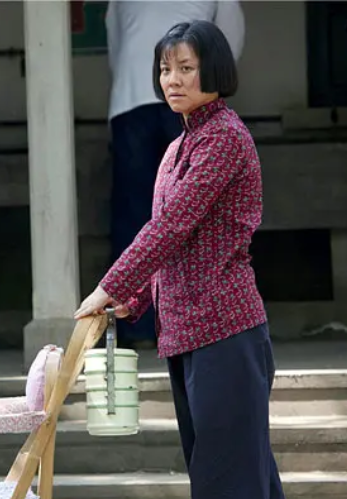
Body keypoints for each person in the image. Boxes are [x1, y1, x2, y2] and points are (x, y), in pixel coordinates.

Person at [76, 21, 284, 499]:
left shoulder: (225, 139)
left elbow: (169, 228)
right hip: (183, 331)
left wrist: (107, 287)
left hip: (227, 330)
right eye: (166, 68)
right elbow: (176, 245)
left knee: (227, 479)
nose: (172, 79)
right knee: (238, 476)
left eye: (186, 68)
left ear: (214, 70)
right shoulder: (176, 148)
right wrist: (136, 299)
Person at [104, 0, 244, 349]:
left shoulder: (223, 136)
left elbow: (115, 41)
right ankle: (171, 320)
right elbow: (228, 41)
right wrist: (202, 82)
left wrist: (144, 75)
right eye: (167, 69)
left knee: (139, 215)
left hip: (130, 98)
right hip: (179, 98)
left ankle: (136, 329)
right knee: (182, 219)